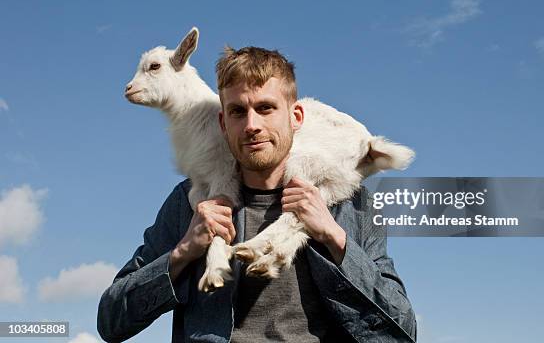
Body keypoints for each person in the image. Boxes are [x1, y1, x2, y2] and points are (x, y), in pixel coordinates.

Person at [97, 46, 417, 342]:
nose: (252, 125)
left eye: (265, 108)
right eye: (238, 111)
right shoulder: (190, 203)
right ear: (223, 122)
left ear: (296, 117)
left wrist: (335, 238)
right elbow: (110, 320)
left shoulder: (351, 208)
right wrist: (183, 252)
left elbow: (402, 332)